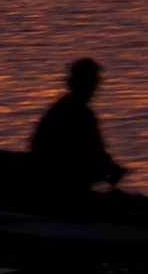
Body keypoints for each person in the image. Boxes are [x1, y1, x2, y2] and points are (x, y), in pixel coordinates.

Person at [30, 57, 128, 192]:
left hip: (55, 181)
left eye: (92, 83)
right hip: (61, 186)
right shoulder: (80, 114)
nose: (90, 88)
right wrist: (112, 169)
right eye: (86, 83)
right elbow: (96, 155)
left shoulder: (63, 108)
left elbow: (94, 155)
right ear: (73, 84)